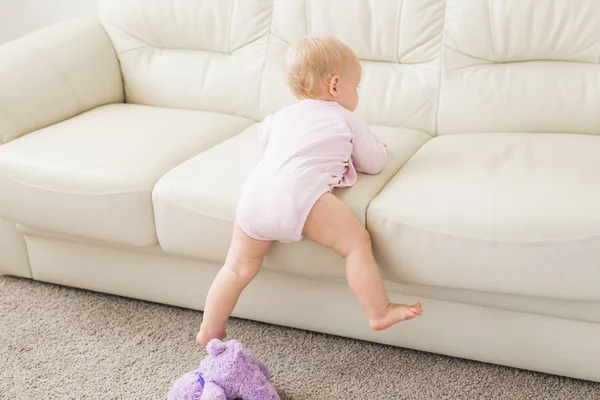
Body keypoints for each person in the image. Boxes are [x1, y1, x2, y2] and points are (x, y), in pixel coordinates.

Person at [197, 36, 422, 346]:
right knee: (356, 244)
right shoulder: (346, 118)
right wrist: (380, 146)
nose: (357, 93)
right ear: (335, 86)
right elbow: (373, 162)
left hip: (255, 196)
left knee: (235, 268)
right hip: (300, 195)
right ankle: (379, 310)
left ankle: (210, 330)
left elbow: (263, 138)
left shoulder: (281, 117)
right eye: (356, 86)